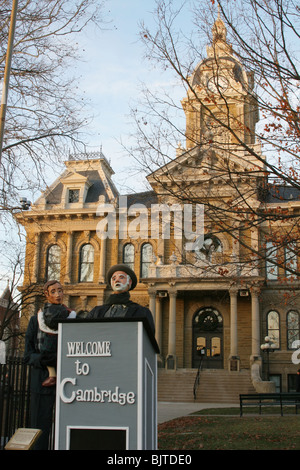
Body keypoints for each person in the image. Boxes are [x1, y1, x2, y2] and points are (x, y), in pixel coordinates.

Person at [24, 280, 75, 449]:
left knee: (70, 427)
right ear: (46, 294)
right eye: (54, 291)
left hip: (69, 381)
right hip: (41, 382)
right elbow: (27, 355)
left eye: (60, 290)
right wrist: (42, 360)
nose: (58, 294)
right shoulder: (34, 320)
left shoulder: (72, 317)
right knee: (40, 427)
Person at [87, 264, 155, 333]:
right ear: (111, 283)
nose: (117, 280)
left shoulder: (142, 312)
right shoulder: (96, 312)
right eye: (114, 278)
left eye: (121, 277)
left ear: (129, 282)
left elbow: (147, 339)